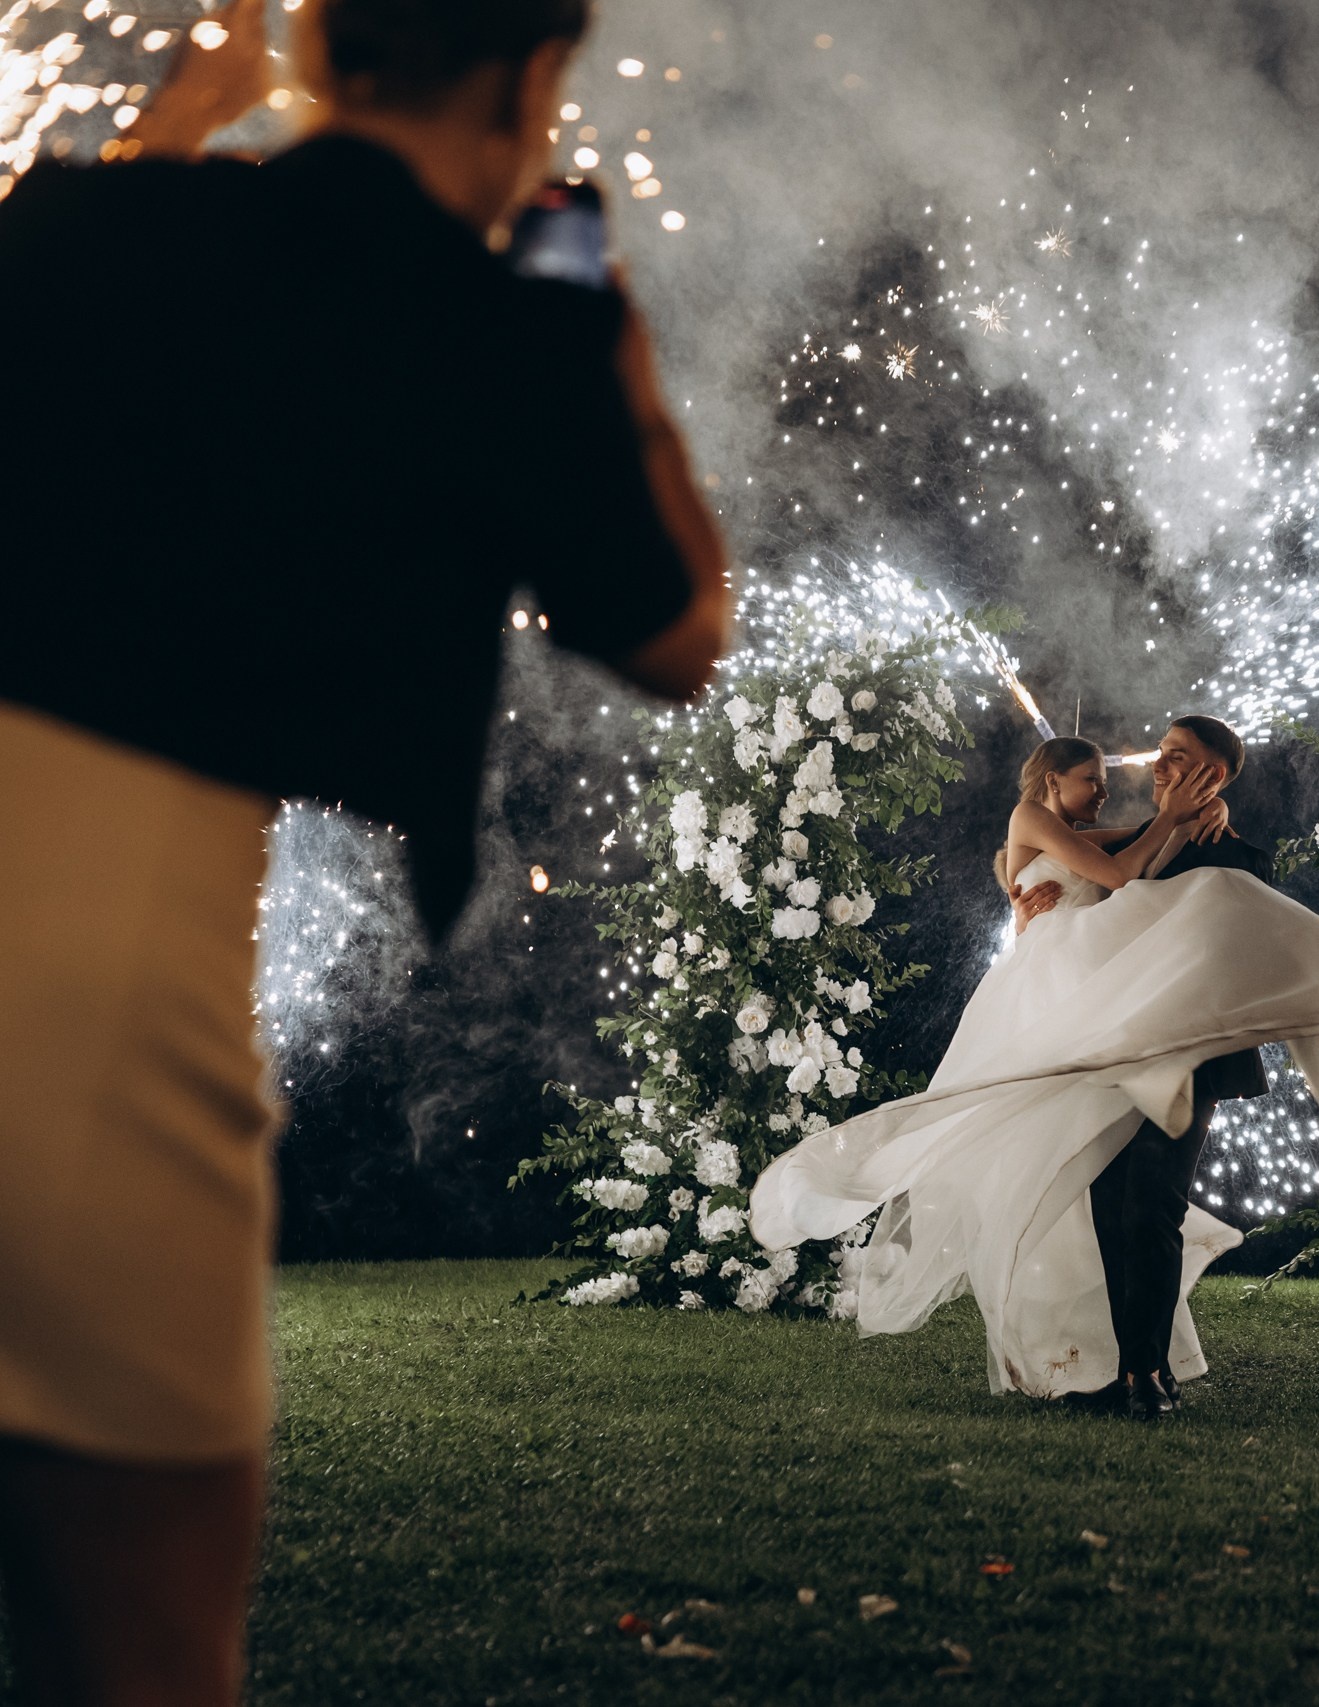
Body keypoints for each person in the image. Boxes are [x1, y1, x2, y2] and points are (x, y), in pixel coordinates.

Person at [0, 1, 730, 1700]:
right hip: (88, 976)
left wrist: (164, 128)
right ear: (538, 76)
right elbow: (681, 631)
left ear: (307, 51)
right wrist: (602, 340)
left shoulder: (82, 213)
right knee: (137, 1649)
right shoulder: (507, 334)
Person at [750, 719, 1319, 1420]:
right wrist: (1023, 896)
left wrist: (1184, 830)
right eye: (1158, 755)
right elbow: (1083, 870)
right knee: (1106, 1215)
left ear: (1212, 777)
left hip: (1184, 1065)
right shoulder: (1131, 833)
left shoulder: (1234, 857)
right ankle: (1117, 1366)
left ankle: (1146, 1372)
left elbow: (1229, 943)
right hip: (1100, 1053)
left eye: (1177, 757)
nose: (1154, 766)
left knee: (1151, 1208)